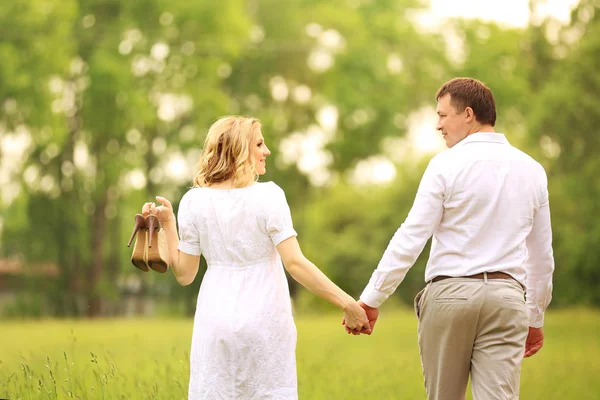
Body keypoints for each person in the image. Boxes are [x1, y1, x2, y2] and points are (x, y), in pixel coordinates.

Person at [141, 116, 371, 400]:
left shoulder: (193, 202)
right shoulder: (269, 196)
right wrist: (348, 303)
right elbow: (295, 263)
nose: (267, 151)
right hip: (265, 323)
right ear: (240, 150)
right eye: (260, 144)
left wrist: (169, 225)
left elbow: (185, 275)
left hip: (215, 326)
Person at [356, 77, 555, 399]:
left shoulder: (445, 165)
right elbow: (541, 255)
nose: (438, 125)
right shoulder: (532, 170)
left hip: (450, 295)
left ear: (467, 114)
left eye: (442, 115)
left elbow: (412, 236)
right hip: (507, 300)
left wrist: (371, 299)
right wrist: (535, 315)